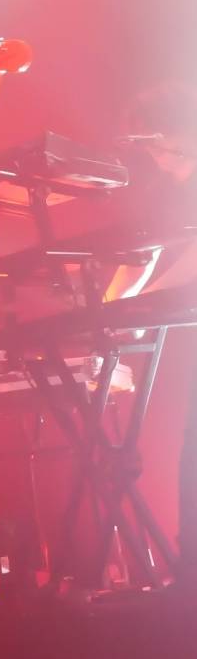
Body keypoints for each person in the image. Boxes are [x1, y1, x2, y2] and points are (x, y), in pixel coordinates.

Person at [106, 82, 197, 589]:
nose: (157, 158)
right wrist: (112, 309)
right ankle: (190, 574)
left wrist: (140, 305)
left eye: (159, 144)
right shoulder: (166, 192)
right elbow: (142, 255)